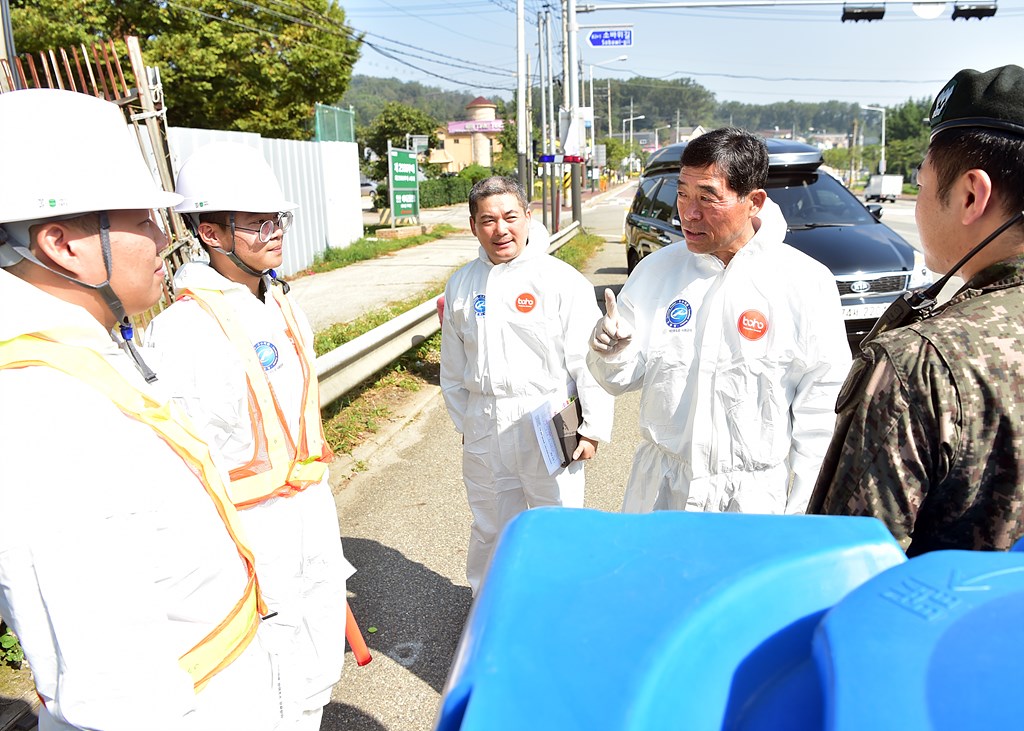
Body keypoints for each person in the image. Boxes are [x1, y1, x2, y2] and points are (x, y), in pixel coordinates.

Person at [0, 89, 279, 729]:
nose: (166, 238)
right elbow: (113, 686)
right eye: (146, 221)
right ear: (62, 244)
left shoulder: (87, 351)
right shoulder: (40, 409)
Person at [143, 142, 353, 730]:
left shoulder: (282, 303)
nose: (273, 232)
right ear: (210, 232)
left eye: (276, 219)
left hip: (311, 512)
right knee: (270, 679)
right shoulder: (184, 329)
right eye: (256, 222)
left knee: (314, 667)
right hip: (251, 532)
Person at [808, 65, 1024, 554]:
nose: (921, 200)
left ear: (972, 195)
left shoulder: (921, 365)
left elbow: (847, 567)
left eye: (922, 183)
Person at [588, 127, 851, 515]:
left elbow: (822, 405)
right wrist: (610, 352)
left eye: (708, 198)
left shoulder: (804, 283)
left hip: (752, 500)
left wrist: (804, 508)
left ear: (754, 201)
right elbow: (617, 380)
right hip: (662, 489)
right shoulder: (656, 272)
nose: (689, 213)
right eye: (682, 194)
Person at [440, 176, 614, 594]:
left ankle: (560, 604)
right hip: (485, 421)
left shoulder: (559, 279)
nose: (500, 229)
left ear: (528, 218)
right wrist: (469, 424)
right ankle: (490, 607)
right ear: (473, 226)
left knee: (558, 519)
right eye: (487, 220)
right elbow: (453, 368)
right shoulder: (461, 284)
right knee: (490, 523)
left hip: (547, 416)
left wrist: (591, 427)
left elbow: (587, 360)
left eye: (509, 217)